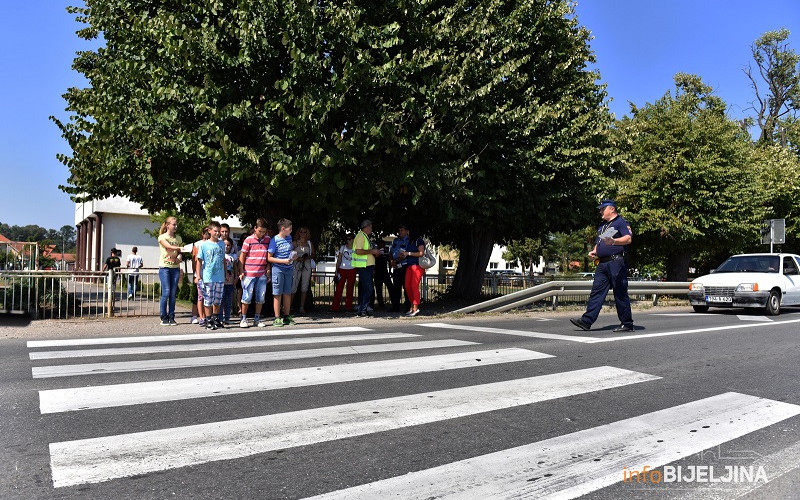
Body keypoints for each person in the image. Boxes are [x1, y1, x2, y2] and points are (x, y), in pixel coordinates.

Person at [570, 199, 634, 332]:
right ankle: (586, 321)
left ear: (612, 209)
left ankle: (627, 323)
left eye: (602, 209)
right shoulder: (603, 225)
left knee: (620, 292)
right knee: (596, 292)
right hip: (602, 263)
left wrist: (614, 241)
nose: (600, 211)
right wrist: (595, 250)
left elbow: (628, 239)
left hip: (616, 262)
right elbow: (600, 242)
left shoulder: (620, 222)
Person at [238, 218, 271, 328]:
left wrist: (268, 267)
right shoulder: (248, 240)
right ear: (255, 228)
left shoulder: (268, 239)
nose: (262, 233)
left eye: (264, 231)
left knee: (260, 298)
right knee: (246, 297)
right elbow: (242, 256)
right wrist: (241, 271)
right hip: (249, 273)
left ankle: (257, 319)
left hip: (262, 274)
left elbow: (269, 256)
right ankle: (243, 318)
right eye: (260, 231)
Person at [197, 221, 227, 330]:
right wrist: (198, 275)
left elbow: (223, 259)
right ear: (209, 231)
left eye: (219, 231)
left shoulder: (221, 244)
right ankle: (208, 319)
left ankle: (215, 317)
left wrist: (225, 273)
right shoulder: (204, 245)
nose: (217, 233)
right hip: (208, 276)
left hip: (220, 276)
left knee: (217, 299)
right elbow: (199, 260)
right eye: (215, 231)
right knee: (208, 299)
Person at [268, 218, 296, 327]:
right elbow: (269, 258)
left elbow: (290, 251)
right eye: (290, 229)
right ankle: (277, 317)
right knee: (277, 293)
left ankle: (286, 316)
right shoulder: (274, 240)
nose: (291, 231)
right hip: (278, 269)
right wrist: (283, 261)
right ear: (283, 229)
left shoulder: (289, 238)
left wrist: (294, 256)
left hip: (289, 268)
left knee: (287, 293)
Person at [352, 219, 382, 317]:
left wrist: (374, 252)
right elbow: (358, 251)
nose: (371, 229)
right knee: (368, 288)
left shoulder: (364, 236)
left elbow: (364, 251)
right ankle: (363, 309)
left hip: (366, 266)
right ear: (367, 227)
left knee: (364, 288)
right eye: (371, 227)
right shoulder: (361, 236)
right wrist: (372, 251)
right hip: (364, 266)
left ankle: (362, 309)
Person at [157, 217, 183, 325]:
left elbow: (180, 253)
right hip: (165, 267)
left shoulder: (178, 238)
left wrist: (180, 257)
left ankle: (171, 316)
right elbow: (168, 246)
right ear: (168, 225)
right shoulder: (162, 237)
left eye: (176, 224)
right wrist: (180, 248)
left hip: (175, 268)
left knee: (173, 293)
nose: (176, 226)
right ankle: (163, 316)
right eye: (174, 224)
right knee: (166, 291)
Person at [396, 228, 425, 317]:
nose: (407, 233)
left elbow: (421, 253)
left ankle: (415, 307)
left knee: (414, 286)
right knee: (407, 286)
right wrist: (403, 255)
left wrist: (408, 253)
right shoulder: (410, 242)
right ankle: (412, 307)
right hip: (409, 265)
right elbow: (408, 253)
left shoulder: (419, 241)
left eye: (408, 231)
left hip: (417, 266)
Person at [291, 226, 315, 315]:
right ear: (298, 233)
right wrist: (297, 258)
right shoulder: (294, 243)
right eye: (301, 232)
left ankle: (302, 307)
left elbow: (313, 254)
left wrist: (306, 257)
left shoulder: (309, 243)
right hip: (296, 265)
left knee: (304, 287)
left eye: (305, 232)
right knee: (293, 286)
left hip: (306, 265)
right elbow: (290, 254)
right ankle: (288, 307)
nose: (303, 234)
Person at [330, 233, 356, 313]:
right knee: (339, 288)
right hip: (342, 269)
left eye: (349, 239)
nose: (348, 241)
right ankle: (335, 307)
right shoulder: (343, 247)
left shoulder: (356, 248)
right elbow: (339, 259)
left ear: (353, 239)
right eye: (347, 239)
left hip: (352, 269)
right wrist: (336, 271)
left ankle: (348, 307)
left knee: (350, 288)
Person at [389, 225, 411, 313]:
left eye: (402, 230)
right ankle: (395, 306)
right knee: (396, 288)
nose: (400, 232)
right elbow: (391, 252)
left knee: (406, 287)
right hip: (396, 267)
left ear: (406, 231)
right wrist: (391, 261)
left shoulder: (409, 241)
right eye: (399, 230)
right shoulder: (395, 240)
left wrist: (396, 261)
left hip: (404, 266)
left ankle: (408, 307)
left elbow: (406, 254)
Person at [192, 226, 210, 326]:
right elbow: (194, 260)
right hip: (200, 274)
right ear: (202, 234)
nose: (207, 234)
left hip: (209, 273)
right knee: (200, 296)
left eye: (209, 232)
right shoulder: (198, 244)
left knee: (209, 296)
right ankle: (201, 317)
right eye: (205, 232)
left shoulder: (213, 243)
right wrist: (195, 274)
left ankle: (208, 316)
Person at [218, 237, 239, 325]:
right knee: (221, 299)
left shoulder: (233, 256)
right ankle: (219, 318)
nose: (226, 247)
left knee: (228, 299)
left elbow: (235, 267)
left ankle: (227, 318)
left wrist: (236, 276)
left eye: (228, 245)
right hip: (221, 279)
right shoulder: (220, 254)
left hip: (230, 280)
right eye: (225, 245)